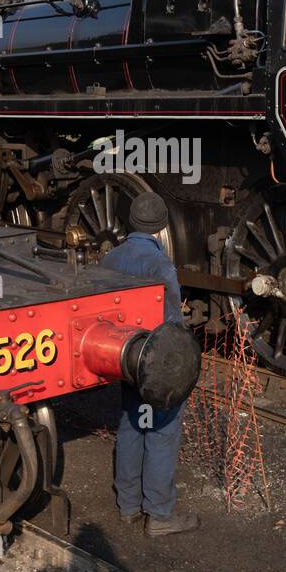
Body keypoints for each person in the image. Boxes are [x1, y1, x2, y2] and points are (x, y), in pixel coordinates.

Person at [98, 191, 198, 537]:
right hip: (156, 364)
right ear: (161, 227)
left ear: (131, 224)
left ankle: (127, 505)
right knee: (161, 430)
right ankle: (159, 513)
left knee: (132, 424)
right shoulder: (160, 265)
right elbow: (171, 322)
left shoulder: (110, 259)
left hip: (124, 359)